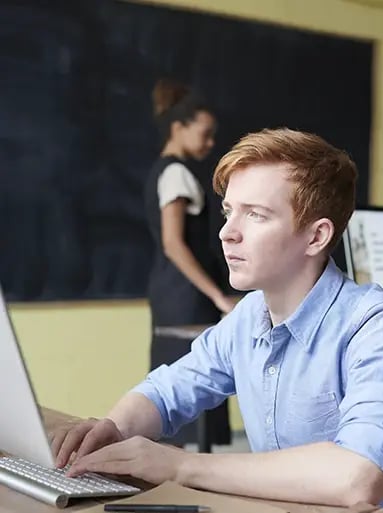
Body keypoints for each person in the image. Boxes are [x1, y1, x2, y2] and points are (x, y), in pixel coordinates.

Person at [50, 128, 383, 512]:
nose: (227, 233)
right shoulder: (249, 317)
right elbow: (166, 392)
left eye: (255, 215)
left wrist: (181, 466)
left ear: (316, 236)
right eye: (228, 212)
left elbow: (358, 477)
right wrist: (113, 428)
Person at [143, 79, 236, 448]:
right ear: (178, 127)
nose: (210, 143)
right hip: (185, 297)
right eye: (205, 134)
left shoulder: (169, 171)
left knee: (185, 403)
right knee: (182, 397)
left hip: (177, 295)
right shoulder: (175, 173)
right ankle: (177, 494)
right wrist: (219, 297)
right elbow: (173, 244)